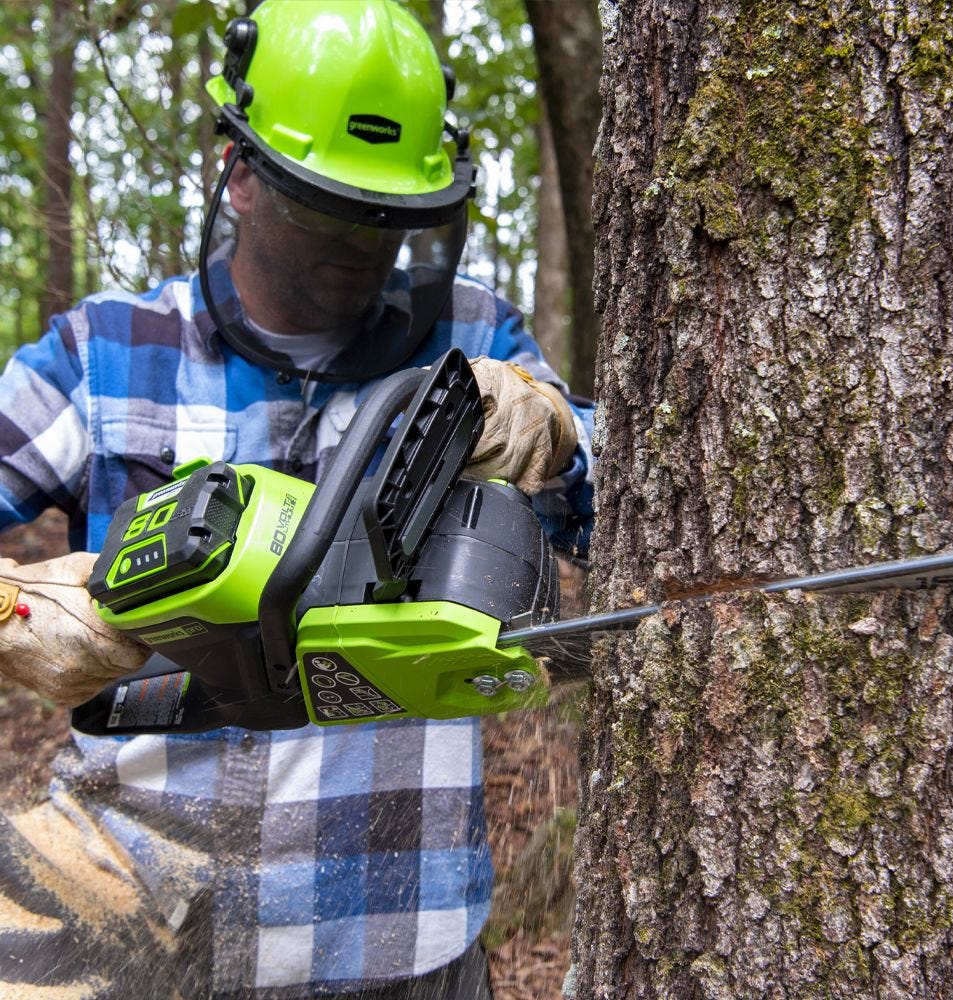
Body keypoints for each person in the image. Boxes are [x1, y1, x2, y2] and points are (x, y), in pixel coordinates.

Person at [0, 2, 593, 997]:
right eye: (329, 212)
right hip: (131, 913)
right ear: (237, 169)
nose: (362, 249)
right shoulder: (108, 352)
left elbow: (648, 498)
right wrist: (15, 612)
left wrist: (560, 431)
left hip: (397, 931)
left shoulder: (474, 337)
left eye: (391, 220)